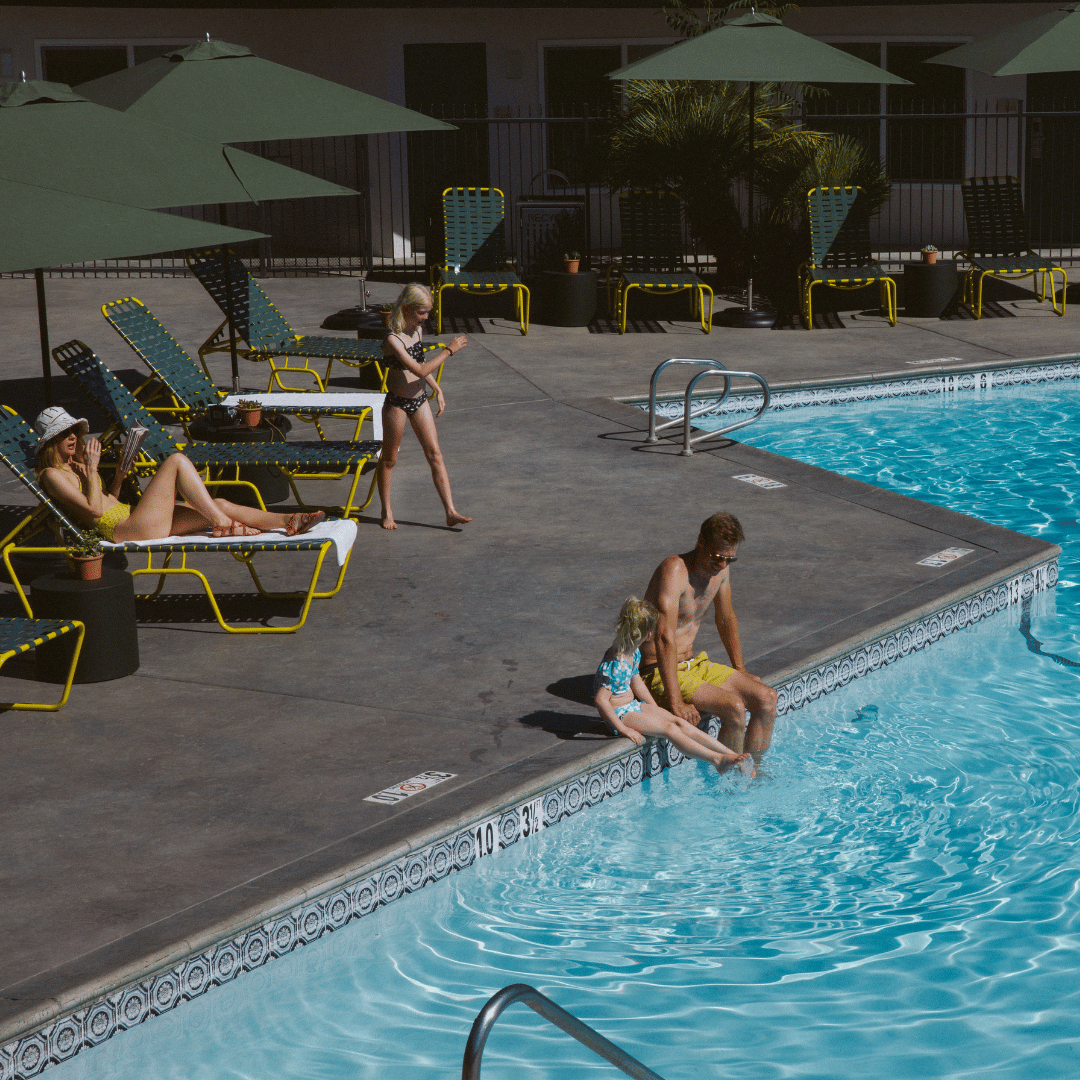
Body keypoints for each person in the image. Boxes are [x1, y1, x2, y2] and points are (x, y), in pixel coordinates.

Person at [34, 406, 325, 542]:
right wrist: (93, 470)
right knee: (175, 461)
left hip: (133, 517)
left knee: (220, 503)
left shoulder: (76, 466)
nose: (72, 437)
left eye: (75, 431)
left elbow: (107, 499)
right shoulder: (52, 475)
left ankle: (289, 520)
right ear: (50, 441)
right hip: (124, 529)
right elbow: (95, 514)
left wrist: (121, 473)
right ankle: (222, 523)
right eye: (64, 433)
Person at [641, 512, 777, 755]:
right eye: (717, 557)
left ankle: (752, 775)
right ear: (701, 541)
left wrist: (740, 670)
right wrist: (675, 702)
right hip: (658, 671)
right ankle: (725, 782)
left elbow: (726, 618)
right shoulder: (674, 570)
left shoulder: (721, 572)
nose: (723, 565)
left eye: (729, 559)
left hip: (695, 664)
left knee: (767, 698)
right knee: (734, 707)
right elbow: (664, 637)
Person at [594, 597, 753, 775]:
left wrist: (654, 709)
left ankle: (731, 754)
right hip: (620, 714)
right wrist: (623, 729)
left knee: (676, 721)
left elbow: (636, 681)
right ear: (648, 635)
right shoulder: (619, 662)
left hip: (632, 706)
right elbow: (601, 700)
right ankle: (717, 760)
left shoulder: (633, 651)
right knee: (670, 729)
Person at [376, 283, 471, 531]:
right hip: (396, 403)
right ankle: (386, 510)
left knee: (435, 454)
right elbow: (418, 369)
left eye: (428, 311)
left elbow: (420, 365)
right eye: (422, 312)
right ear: (406, 308)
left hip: (419, 399)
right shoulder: (393, 339)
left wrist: (436, 388)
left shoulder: (417, 332)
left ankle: (450, 511)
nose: (426, 317)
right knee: (390, 459)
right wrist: (449, 350)